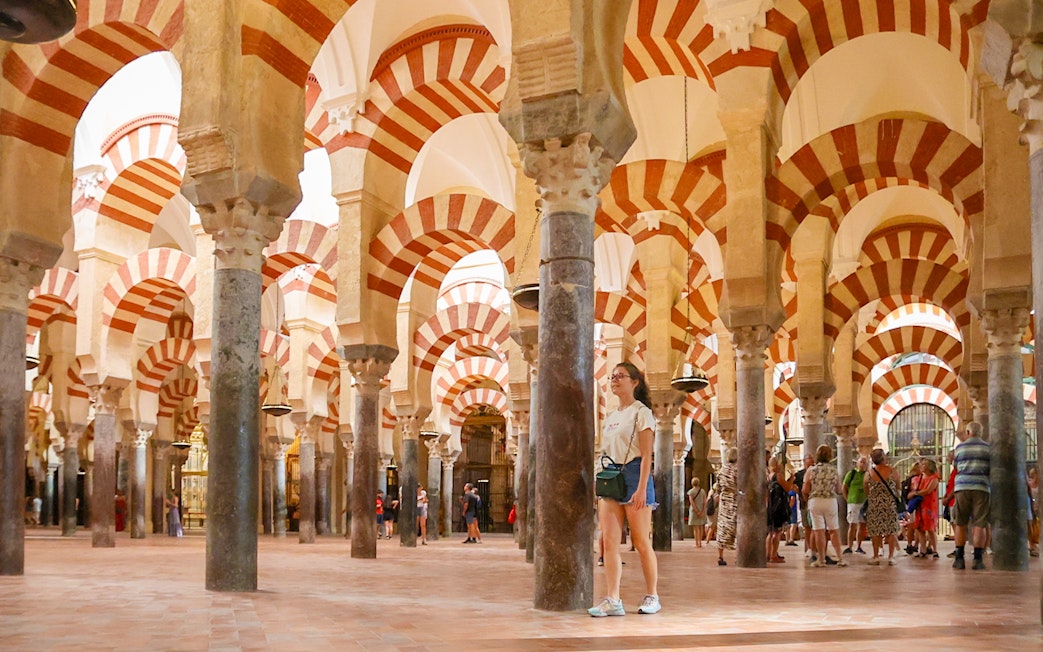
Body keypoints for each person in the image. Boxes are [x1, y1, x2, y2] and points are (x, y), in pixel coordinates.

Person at [589, 362, 659, 617]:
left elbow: (647, 455)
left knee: (641, 541)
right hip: (611, 475)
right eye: (613, 376)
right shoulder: (611, 416)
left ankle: (652, 595)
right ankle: (613, 599)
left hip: (634, 473)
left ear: (635, 382)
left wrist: (641, 489)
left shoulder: (642, 413)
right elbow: (605, 451)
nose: (615, 380)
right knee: (609, 542)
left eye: (621, 376)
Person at [952, 421, 990, 570]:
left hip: (962, 487)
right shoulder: (987, 448)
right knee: (980, 524)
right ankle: (977, 560)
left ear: (968, 433)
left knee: (960, 523)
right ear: (980, 432)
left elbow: (956, 467)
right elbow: (991, 468)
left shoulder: (960, 447)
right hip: (981, 487)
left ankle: (959, 559)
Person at [803, 445, 846, 567]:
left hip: (815, 501)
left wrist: (808, 500)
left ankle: (821, 559)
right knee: (834, 531)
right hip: (830, 501)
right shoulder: (833, 470)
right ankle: (840, 558)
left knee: (819, 531)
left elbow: (805, 489)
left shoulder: (811, 470)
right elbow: (838, 489)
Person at [863, 448, 900, 565]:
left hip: (874, 505)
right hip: (890, 505)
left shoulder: (869, 473)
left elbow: (866, 490)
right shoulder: (892, 471)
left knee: (876, 532)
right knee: (891, 531)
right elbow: (898, 486)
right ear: (883, 458)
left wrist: (875, 497)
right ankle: (890, 557)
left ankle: (875, 556)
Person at [765, 456, 795, 563]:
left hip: (770, 507)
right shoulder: (778, 476)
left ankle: (768, 554)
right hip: (779, 507)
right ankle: (773, 555)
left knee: (770, 532)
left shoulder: (769, 476)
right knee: (777, 533)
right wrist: (791, 479)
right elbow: (786, 488)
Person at [911, 458, 940, 558]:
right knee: (920, 529)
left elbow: (928, 490)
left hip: (929, 506)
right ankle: (922, 550)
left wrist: (915, 493)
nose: (921, 466)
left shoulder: (934, 478)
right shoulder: (919, 478)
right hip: (920, 505)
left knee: (930, 529)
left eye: (924, 464)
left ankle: (934, 549)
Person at [715, 448, 738, 567]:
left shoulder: (722, 470)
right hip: (735, 500)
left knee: (723, 528)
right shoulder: (738, 470)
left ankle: (720, 556)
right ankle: (738, 556)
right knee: (737, 528)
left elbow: (717, 487)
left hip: (724, 501)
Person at [842, 456, 868, 554]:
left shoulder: (867, 475)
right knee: (852, 525)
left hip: (864, 503)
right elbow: (844, 487)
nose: (862, 464)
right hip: (853, 502)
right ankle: (849, 546)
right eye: (861, 462)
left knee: (861, 525)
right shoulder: (851, 474)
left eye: (865, 463)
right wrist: (847, 498)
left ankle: (859, 546)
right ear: (857, 463)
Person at [793, 455, 815, 559]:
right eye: (809, 463)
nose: (811, 465)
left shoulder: (816, 472)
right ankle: (808, 548)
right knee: (807, 526)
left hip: (814, 502)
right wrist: (799, 494)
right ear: (804, 462)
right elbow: (793, 485)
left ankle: (815, 548)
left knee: (815, 526)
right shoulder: (799, 474)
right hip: (804, 503)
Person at [686, 477, 706, 547]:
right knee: (701, 527)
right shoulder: (702, 491)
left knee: (696, 528)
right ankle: (700, 543)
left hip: (694, 511)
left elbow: (692, 502)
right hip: (702, 510)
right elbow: (704, 502)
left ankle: (696, 543)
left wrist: (697, 511)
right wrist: (702, 511)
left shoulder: (691, 492)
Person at [1028, 467, 1039, 558]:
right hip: (1031, 505)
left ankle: (1033, 545)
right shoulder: (1030, 483)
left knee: (1031, 524)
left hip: (1034, 506)